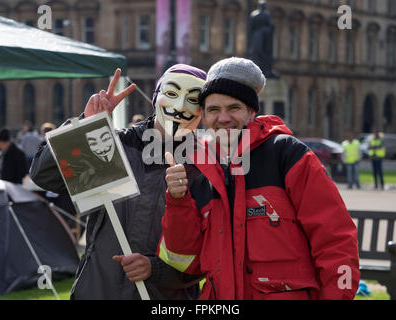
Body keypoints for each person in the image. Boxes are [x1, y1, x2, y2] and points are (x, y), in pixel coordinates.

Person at [158, 57, 360, 300]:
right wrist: (178, 200)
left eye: (234, 108)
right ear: (203, 115)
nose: (223, 118)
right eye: (213, 109)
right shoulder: (198, 169)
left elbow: (335, 238)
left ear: (252, 111)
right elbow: (186, 261)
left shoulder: (287, 153)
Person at [30, 65, 207, 300]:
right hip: (98, 290)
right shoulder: (116, 146)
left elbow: (212, 252)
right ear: (156, 97)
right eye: (172, 93)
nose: (181, 106)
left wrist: (156, 270)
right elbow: (46, 175)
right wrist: (86, 126)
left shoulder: (207, 168)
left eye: (193, 99)